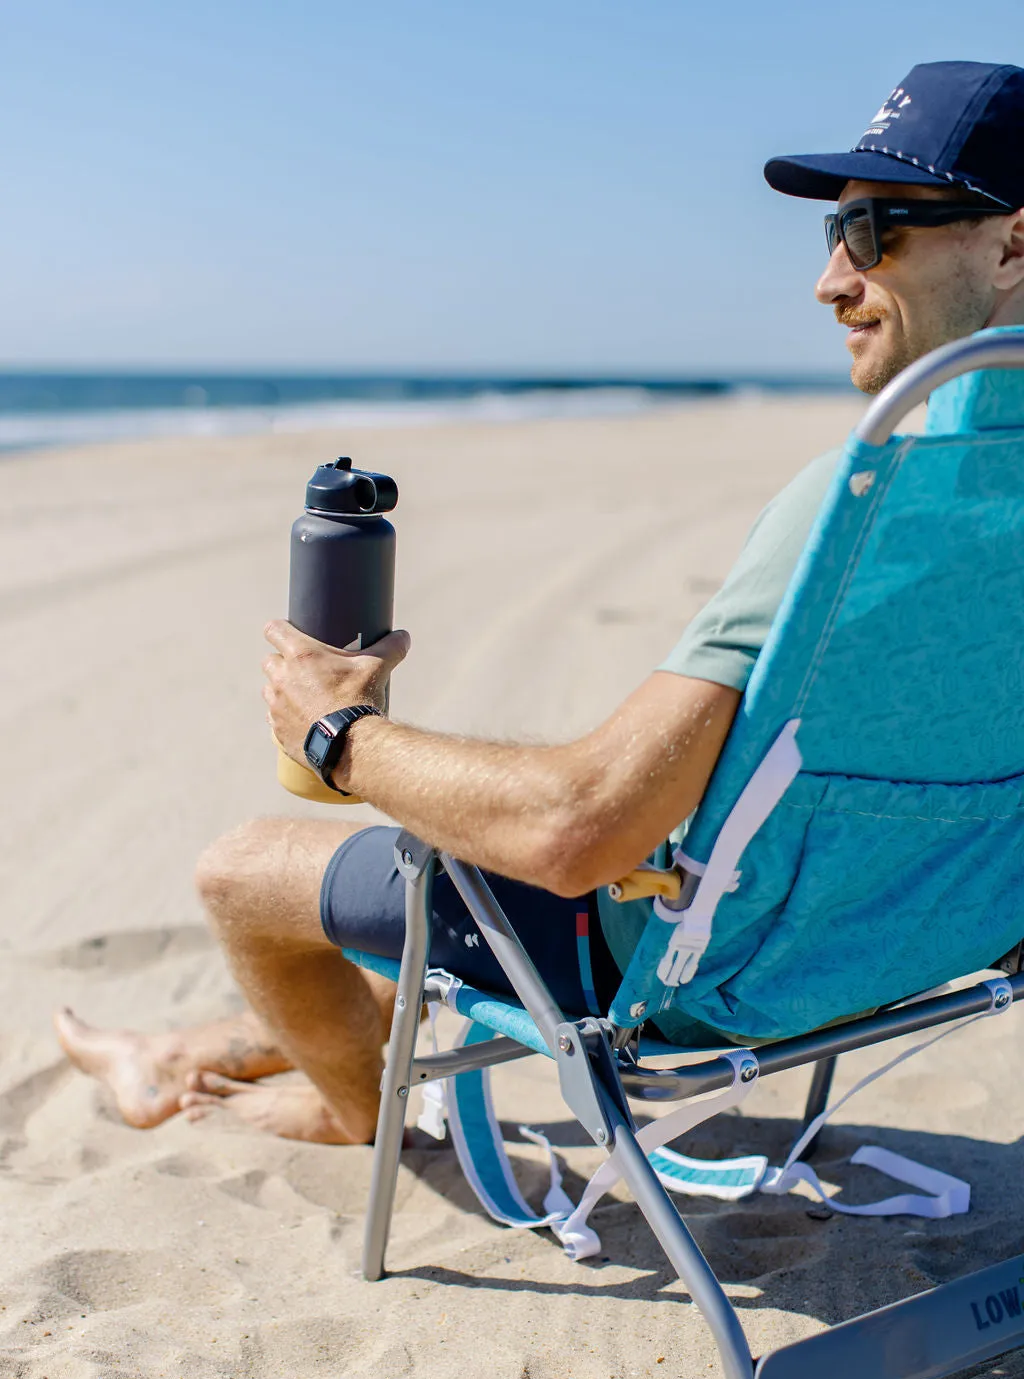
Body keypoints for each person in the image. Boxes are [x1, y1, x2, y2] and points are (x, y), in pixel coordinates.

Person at [56, 60, 1024, 1144]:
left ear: (1012, 243)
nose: (829, 280)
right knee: (445, 892)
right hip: (921, 936)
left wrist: (335, 734)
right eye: (831, 237)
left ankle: (347, 1119)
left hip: (712, 970)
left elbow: (577, 831)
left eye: (874, 230)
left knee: (243, 872)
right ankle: (181, 1054)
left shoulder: (875, 500)